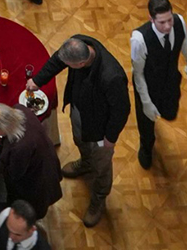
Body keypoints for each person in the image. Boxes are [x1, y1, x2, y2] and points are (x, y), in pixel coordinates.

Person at [30, 34, 129, 228]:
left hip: (100, 130)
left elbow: (121, 110)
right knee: (80, 141)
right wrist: (37, 81)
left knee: (102, 165)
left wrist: (110, 138)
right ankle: (85, 163)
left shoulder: (112, 76)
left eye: (69, 65)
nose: (64, 66)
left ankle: (99, 198)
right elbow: (57, 61)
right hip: (79, 112)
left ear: (82, 63)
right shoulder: (78, 43)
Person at [129, 0, 187, 171]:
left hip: (170, 79)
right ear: (151, 19)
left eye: (169, 20)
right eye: (161, 22)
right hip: (148, 85)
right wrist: (146, 102)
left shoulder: (179, 21)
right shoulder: (139, 39)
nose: (167, 26)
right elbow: (138, 74)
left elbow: (184, 42)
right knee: (147, 121)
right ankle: (146, 148)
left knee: (169, 111)